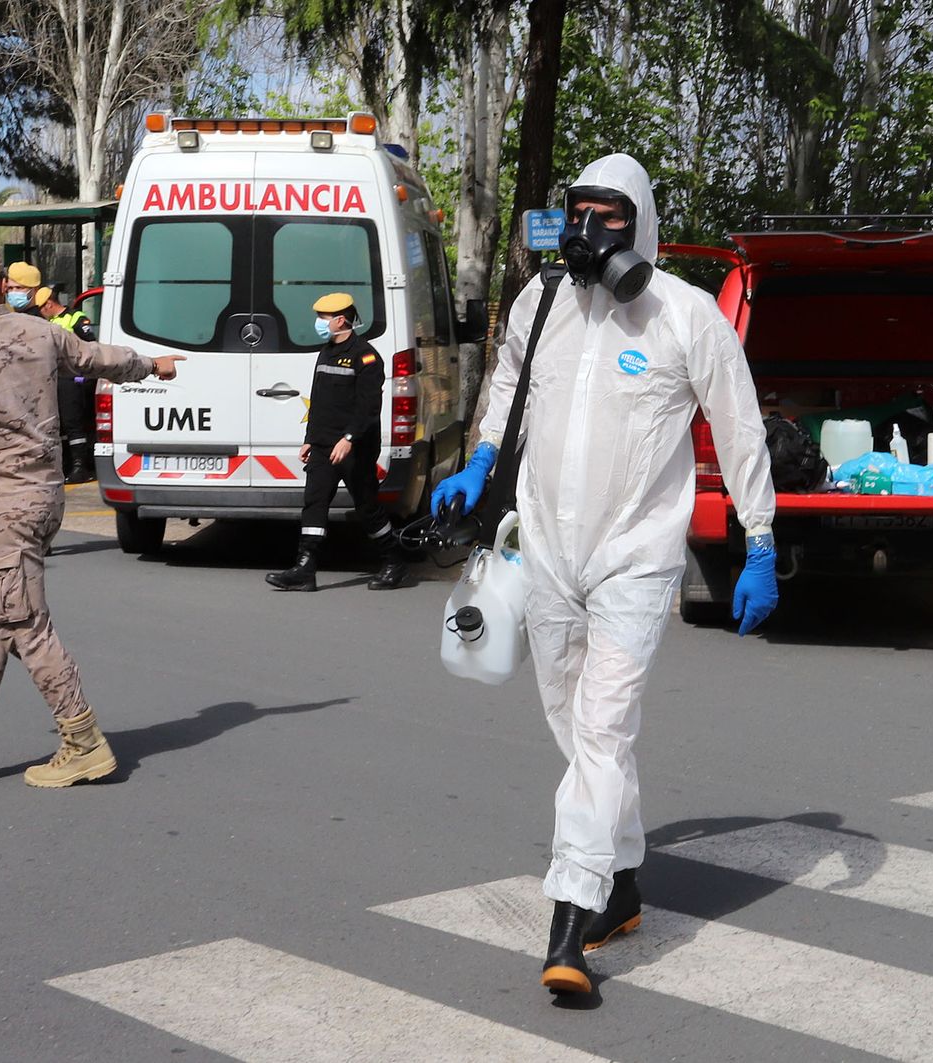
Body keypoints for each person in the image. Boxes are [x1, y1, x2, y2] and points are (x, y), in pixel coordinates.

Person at [431, 154, 778, 995]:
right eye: (579, 209)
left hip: (635, 559)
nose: (590, 228)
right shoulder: (541, 300)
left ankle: (569, 923)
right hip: (548, 549)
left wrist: (760, 536)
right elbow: (510, 382)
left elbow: (739, 427)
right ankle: (621, 882)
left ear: (641, 223)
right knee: (575, 726)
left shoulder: (685, 316)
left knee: (603, 726)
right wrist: (480, 458)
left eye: (609, 213)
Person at [0, 244, 183, 788]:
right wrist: (150, 365)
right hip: (44, 498)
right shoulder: (41, 332)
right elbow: (95, 358)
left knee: (23, 622)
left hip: (4, 508)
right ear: (2, 286)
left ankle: (83, 740)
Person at [266, 292, 406, 592]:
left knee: (367, 507)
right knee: (314, 503)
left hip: (355, 447)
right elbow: (319, 401)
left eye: (323, 318)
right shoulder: (326, 352)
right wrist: (310, 439)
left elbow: (369, 407)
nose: (319, 323)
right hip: (323, 444)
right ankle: (305, 569)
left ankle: (393, 560)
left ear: (341, 320)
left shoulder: (366, 356)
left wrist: (349, 439)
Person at [34, 286, 99, 484]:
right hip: (56, 379)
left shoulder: (75, 318)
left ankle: (81, 466)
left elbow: (91, 346)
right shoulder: (50, 322)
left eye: (41, 308)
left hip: (73, 380)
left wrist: (84, 378)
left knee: (73, 423)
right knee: (60, 424)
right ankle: (67, 465)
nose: (40, 312)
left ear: (48, 304)